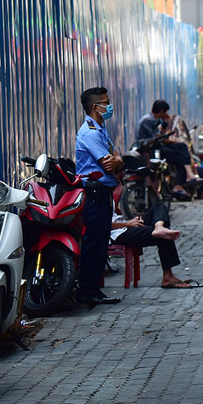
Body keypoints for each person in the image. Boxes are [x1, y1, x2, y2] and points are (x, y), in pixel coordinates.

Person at [75, 86, 123, 306]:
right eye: (106, 102)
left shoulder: (100, 129)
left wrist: (119, 160)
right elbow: (109, 162)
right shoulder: (90, 133)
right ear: (96, 107)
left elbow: (116, 157)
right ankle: (87, 291)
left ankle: (93, 289)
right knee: (94, 243)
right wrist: (118, 161)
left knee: (100, 242)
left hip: (102, 192)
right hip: (94, 193)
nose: (109, 105)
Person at [111, 200, 202, 289]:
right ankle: (168, 277)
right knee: (165, 234)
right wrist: (127, 224)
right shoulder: (99, 192)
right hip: (116, 234)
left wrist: (128, 222)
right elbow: (101, 225)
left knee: (159, 206)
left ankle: (159, 227)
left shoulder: (106, 191)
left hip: (123, 224)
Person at [137, 100, 203, 200]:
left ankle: (186, 179)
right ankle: (183, 181)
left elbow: (160, 136)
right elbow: (156, 138)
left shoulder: (154, 120)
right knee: (181, 155)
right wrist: (172, 140)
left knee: (182, 148)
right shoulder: (148, 120)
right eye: (164, 112)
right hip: (151, 150)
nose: (166, 115)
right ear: (160, 111)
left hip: (157, 147)